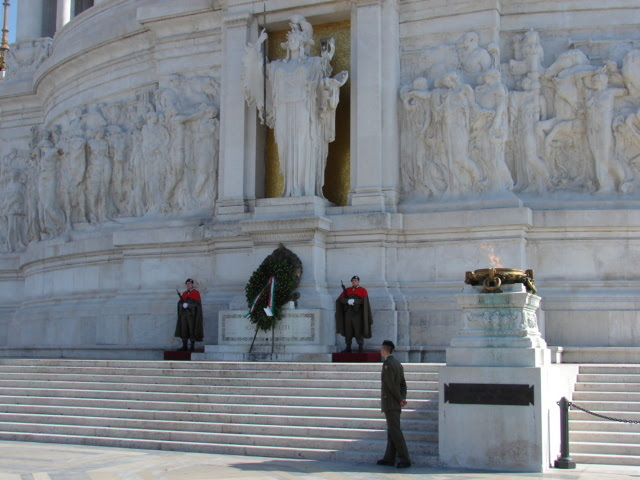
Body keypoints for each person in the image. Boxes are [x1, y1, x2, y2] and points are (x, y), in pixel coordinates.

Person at [377, 340, 411, 469]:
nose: (381, 351)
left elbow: (391, 385)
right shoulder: (397, 363)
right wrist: (402, 397)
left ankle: (405, 458)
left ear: (385, 350)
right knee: (391, 431)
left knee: (395, 431)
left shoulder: (387, 364)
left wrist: (399, 399)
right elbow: (403, 384)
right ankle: (389, 458)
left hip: (390, 403)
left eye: (381, 349)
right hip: (396, 402)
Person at [335, 275, 373, 353]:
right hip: (348, 313)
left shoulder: (363, 290)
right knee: (348, 330)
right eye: (352, 281)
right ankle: (348, 347)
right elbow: (340, 299)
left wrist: (355, 301)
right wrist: (347, 301)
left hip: (357, 314)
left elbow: (364, 302)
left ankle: (360, 347)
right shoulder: (347, 290)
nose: (354, 282)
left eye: (355, 280)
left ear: (358, 281)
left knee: (358, 329)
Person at [174, 278, 204, 351]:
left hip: (192, 315)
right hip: (184, 315)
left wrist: (188, 305)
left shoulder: (195, 293)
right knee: (184, 330)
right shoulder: (184, 293)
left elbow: (197, 304)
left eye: (190, 284)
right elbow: (180, 303)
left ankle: (192, 346)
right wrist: (182, 305)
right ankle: (184, 345)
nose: (188, 285)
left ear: (192, 285)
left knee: (192, 330)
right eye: (187, 284)